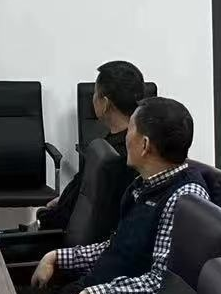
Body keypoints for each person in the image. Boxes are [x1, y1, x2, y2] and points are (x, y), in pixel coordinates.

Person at [25, 97, 209, 294]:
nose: (125, 137)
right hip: (88, 289)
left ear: (144, 145)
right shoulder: (143, 185)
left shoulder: (184, 199)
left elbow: (161, 284)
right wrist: (57, 257)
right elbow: (118, 246)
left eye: (130, 129)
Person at [36, 60, 144, 232]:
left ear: (105, 103)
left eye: (95, 93)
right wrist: (63, 199)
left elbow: (70, 214)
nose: (93, 99)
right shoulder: (141, 147)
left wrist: (43, 218)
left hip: (68, 239)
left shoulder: (106, 156)